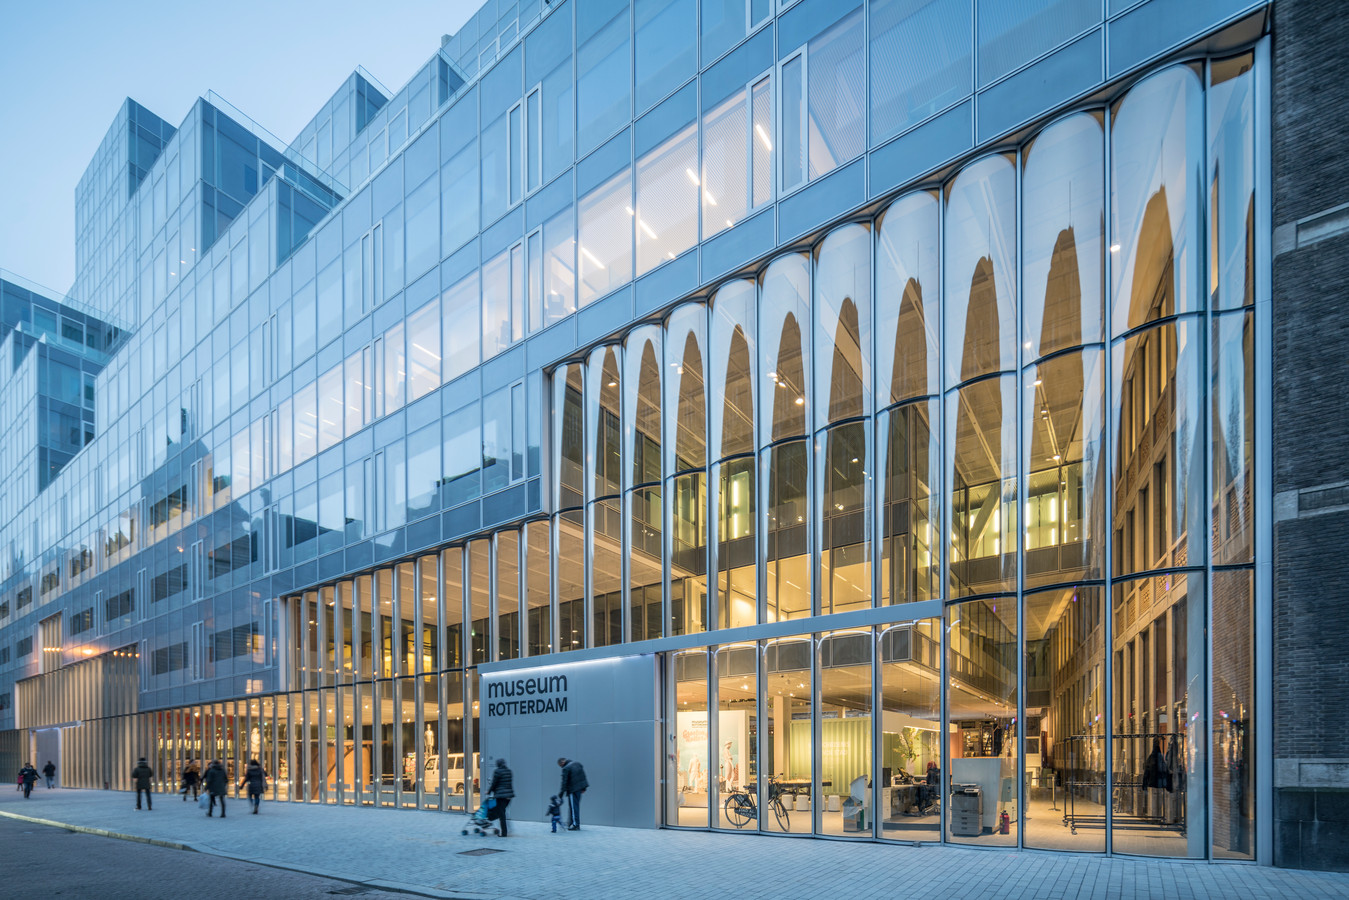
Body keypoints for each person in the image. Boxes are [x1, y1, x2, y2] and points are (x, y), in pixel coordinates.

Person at [485, 758, 515, 837]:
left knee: (501, 814)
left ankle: (504, 833)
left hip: (500, 796)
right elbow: (509, 784)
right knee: (503, 812)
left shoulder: (497, 771)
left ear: (498, 764)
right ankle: (506, 829)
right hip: (509, 797)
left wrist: (489, 791)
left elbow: (494, 783)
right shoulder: (509, 771)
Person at [557, 757, 588, 830]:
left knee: (574, 808)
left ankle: (575, 825)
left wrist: (560, 795)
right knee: (574, 806)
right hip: (580, 789)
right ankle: (571, 822)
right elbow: (583, 776)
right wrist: (584, 788)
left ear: (562, 763)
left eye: (560, 766)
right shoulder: (577, 764)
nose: (561, 767)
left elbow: (564, 783)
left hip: (573, 790)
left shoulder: (566, 768)